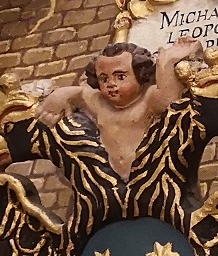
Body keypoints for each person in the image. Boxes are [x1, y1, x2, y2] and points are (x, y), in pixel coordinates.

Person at [34, 39, 204, 176]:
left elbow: (168, 99)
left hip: (149, 175)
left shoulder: (147, 99)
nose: (111, 84)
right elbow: (77, 93)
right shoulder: (99, 102)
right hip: (111, 181)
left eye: (121, 76)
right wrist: (56, 98)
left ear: (140, 74)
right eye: (104, 79)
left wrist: (167, 60)